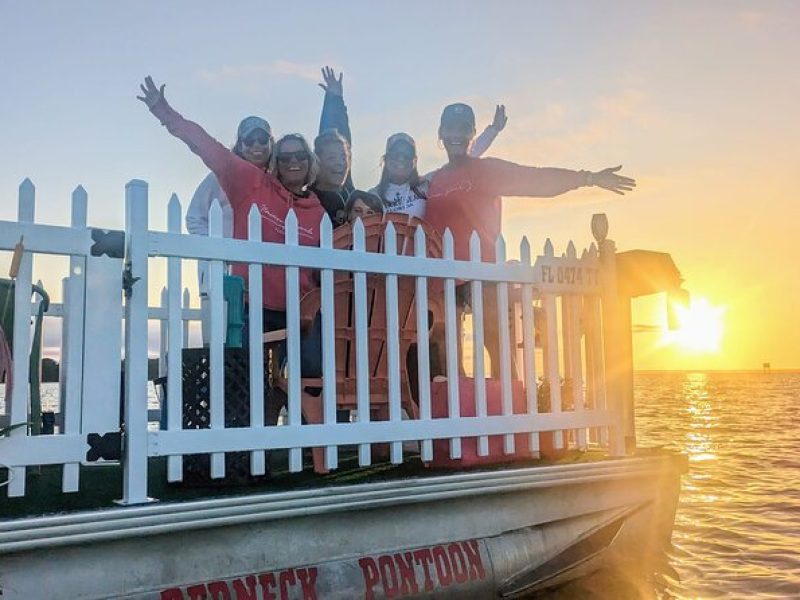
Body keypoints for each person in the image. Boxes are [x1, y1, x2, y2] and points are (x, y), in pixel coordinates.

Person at [425, 102, 635, 376]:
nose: (456, 135)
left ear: (472, 133)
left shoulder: (486, 170)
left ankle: (511, 406)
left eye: (463, 129)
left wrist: (588, 178)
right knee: (445, 345)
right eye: (449, 128)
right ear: (440, 133)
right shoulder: (432, 180)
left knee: (494, 339)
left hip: (484, 271)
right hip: (443, 274)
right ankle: (457, 408)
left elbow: (534, 179)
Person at [137, 76, 326, 335]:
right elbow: (205, 146)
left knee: (305, 373)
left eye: (300, 156)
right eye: (287, 157)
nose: (293, 161)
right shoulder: (248, 181)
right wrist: (164, 112)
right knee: (243, 372)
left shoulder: (318, 212)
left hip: (299, 310)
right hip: (252, 302)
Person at [185, 116, 273, 301]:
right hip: (221, 271)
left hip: (264, 277)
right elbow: (194, 217)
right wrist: (214, 247)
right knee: (222, 325)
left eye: (262, 139)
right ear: (240, 145)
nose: (257, 145)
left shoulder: (276, 181)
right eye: (249, 140)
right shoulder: (219, 177)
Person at [370, 106, 508, 219]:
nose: (401, 159)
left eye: (407, 154)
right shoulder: (372, 196)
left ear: (415, 160)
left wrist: (493, 130)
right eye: (395, 154)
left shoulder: (426, 184)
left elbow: (466, 155)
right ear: (385, 159)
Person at [312, 67, 355, 227]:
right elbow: (327, 132)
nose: (339, 163)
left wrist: (336, 99)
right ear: (317, 162)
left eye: (343, 158)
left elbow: (342, 134)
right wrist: (331, 100)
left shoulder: (353, 197)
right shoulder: (307, 198)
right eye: (331, 158)